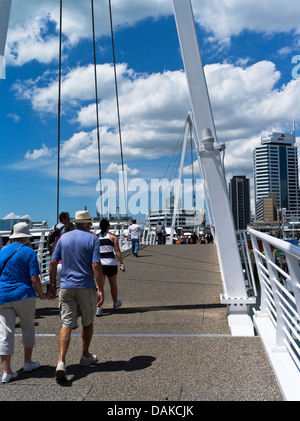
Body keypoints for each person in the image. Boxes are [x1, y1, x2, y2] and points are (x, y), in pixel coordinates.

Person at [48, 210, 104, 383]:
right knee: (87, 322)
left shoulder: (63, 238)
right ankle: (85, 356)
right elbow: (95, 265)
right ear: (87, 224)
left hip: (66, 286)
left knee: (66, 324)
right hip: (85, 286)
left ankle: (61, 362)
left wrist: (51, 286)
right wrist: (100, 288)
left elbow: (52, 262)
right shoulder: (93, 239)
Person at [0, 222, 44, 383]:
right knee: (27, 327)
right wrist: (41, 294)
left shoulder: (2, 251)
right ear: (26, 237)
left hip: (3, 295)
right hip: (24, 294)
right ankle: (27, 362)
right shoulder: (29, 252)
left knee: (5, 333)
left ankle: (7, 371)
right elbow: (34, 278)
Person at [96, 219, 125, 317]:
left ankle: (98, 307)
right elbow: (117, 251)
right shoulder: (113, 237)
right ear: (108, 226)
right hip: (111, 264)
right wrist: (121, 263)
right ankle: (115, 303)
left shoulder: (96, 237)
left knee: (100, 287)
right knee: (113, 285)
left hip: (100, 265)